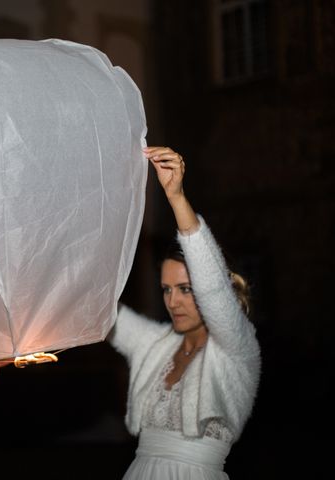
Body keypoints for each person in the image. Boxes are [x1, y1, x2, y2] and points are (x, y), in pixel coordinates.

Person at [109, 146, 261, 479]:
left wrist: (176, 197)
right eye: (166, 289)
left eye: (185, 289)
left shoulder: (237, 349)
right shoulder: (155, 344)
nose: (173, 301)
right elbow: (105, 312)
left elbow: (212, 287)